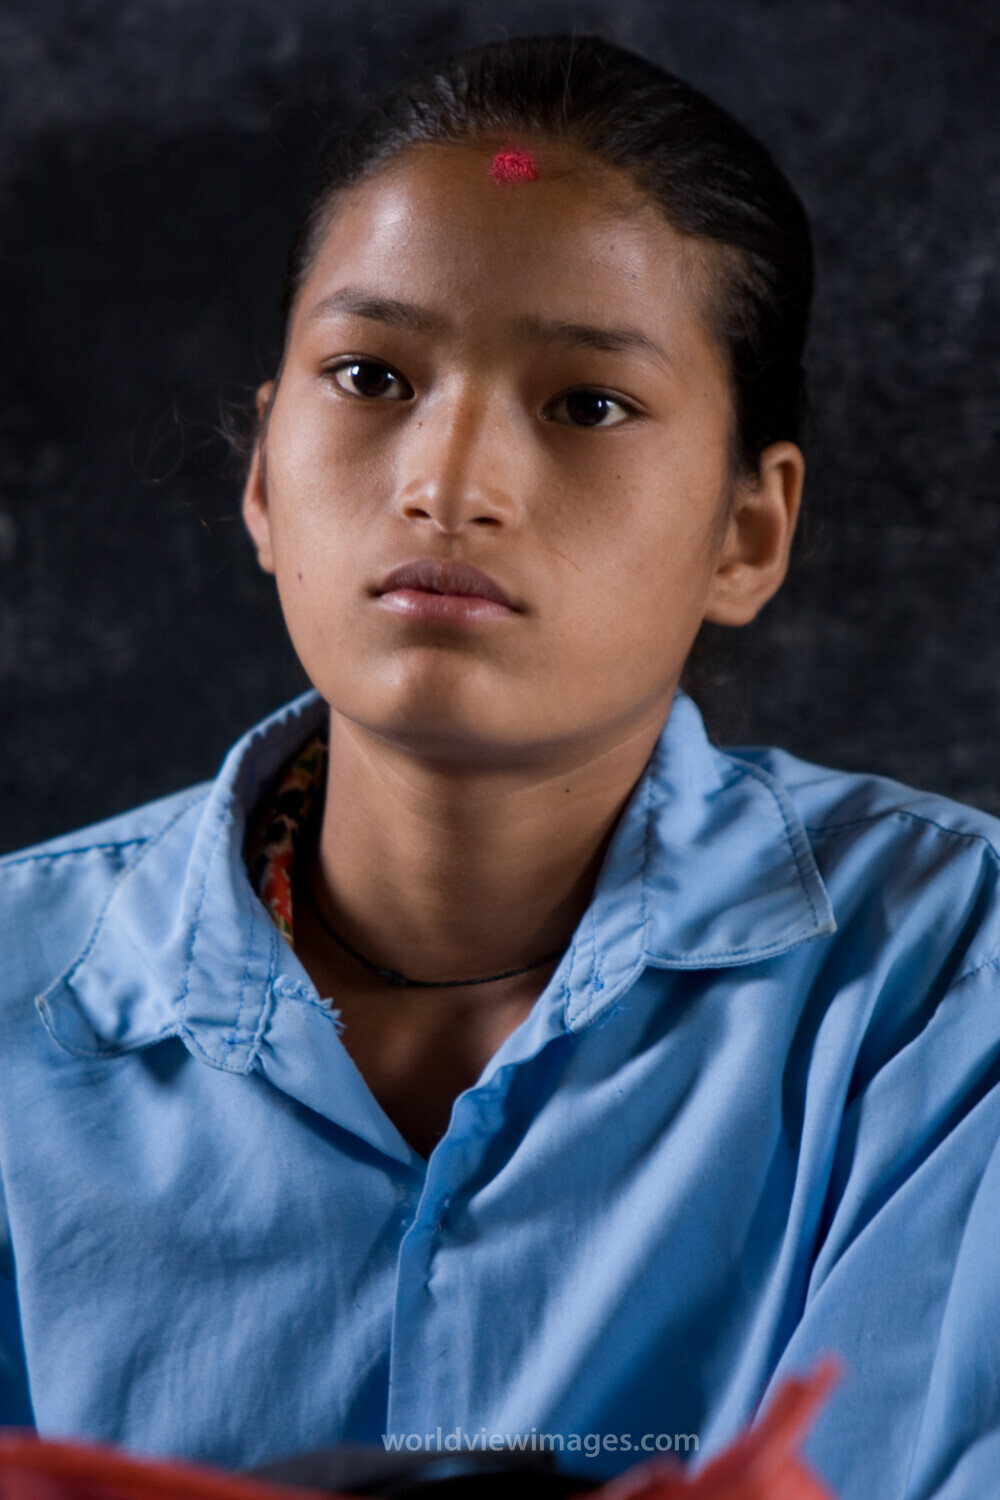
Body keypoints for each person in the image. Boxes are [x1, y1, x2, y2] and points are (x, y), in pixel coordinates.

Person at [2, 32, 1000, 1500]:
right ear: (264, 473)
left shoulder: (945, 989)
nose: (449, 482)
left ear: (749, 532)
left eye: (586, 403)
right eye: (370, 373)